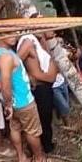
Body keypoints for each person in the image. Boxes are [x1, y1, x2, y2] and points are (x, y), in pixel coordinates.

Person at [0, 32, 47, 162]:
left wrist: (6, 99)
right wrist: (8, 103)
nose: (14, 35)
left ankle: (21, 158)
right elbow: (6, 82)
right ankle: (39, 159)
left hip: (11, 100)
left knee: (15, 128)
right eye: (8, 32)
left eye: (14, 32)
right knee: (32, 131)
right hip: (23, 101)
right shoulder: (6, 57)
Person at [17, 24, 58, 153]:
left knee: (45, 119)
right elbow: (14, 62)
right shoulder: (28, 41)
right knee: (41, 120)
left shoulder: (38, 41)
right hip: (40, 87)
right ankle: (41, 149)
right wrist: (26, 76)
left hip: (44, 85)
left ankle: (45, 146)